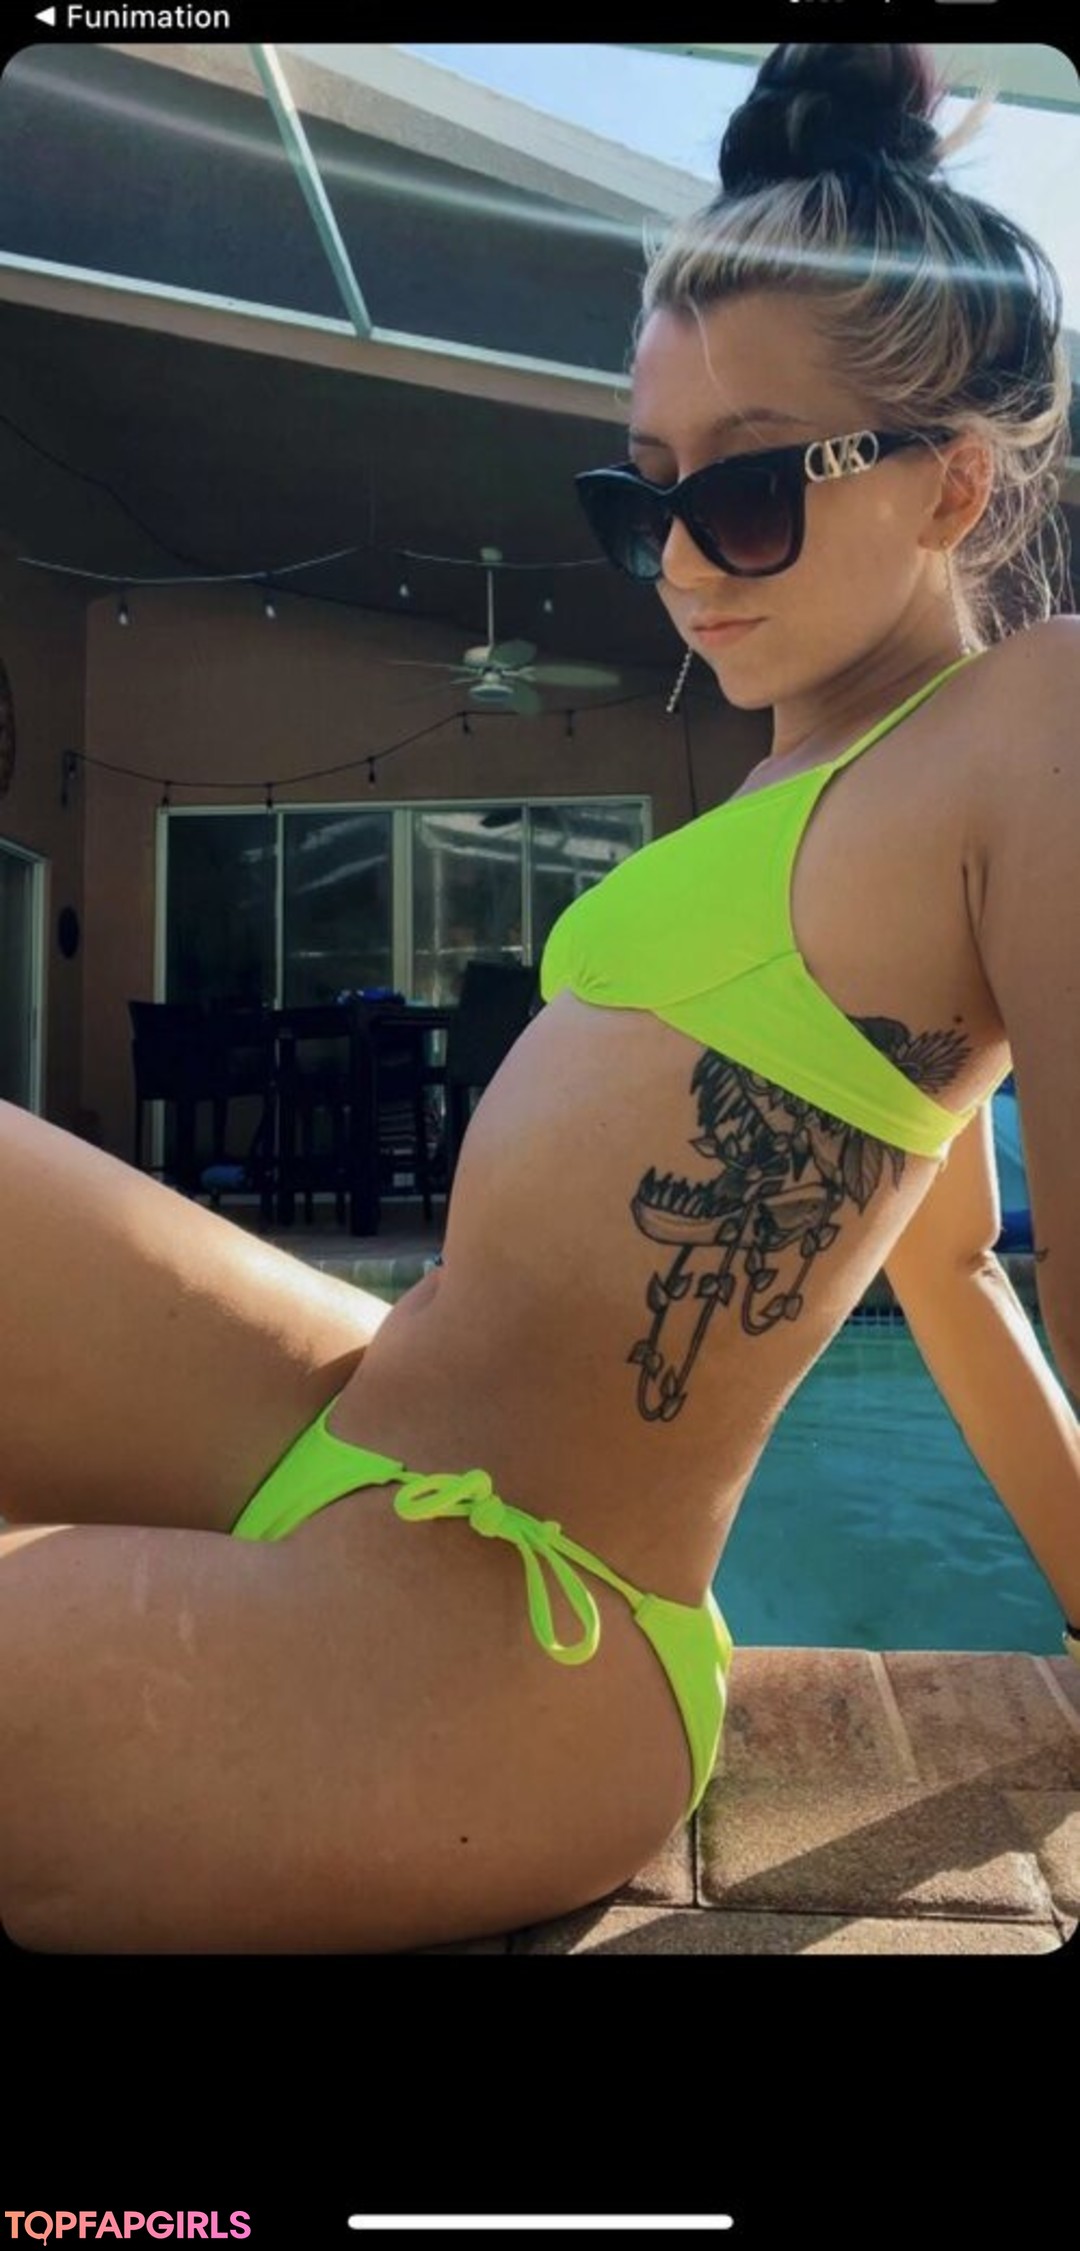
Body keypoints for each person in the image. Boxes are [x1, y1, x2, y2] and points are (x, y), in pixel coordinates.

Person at [2, 41, 1079, 1954]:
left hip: (529, 1623)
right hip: (354, 1405)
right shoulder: (795, 779)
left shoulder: (1027, 723)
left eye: (747, 490)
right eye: (642, 496)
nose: (681, 562)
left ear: (955, 484)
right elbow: (953, 1268)